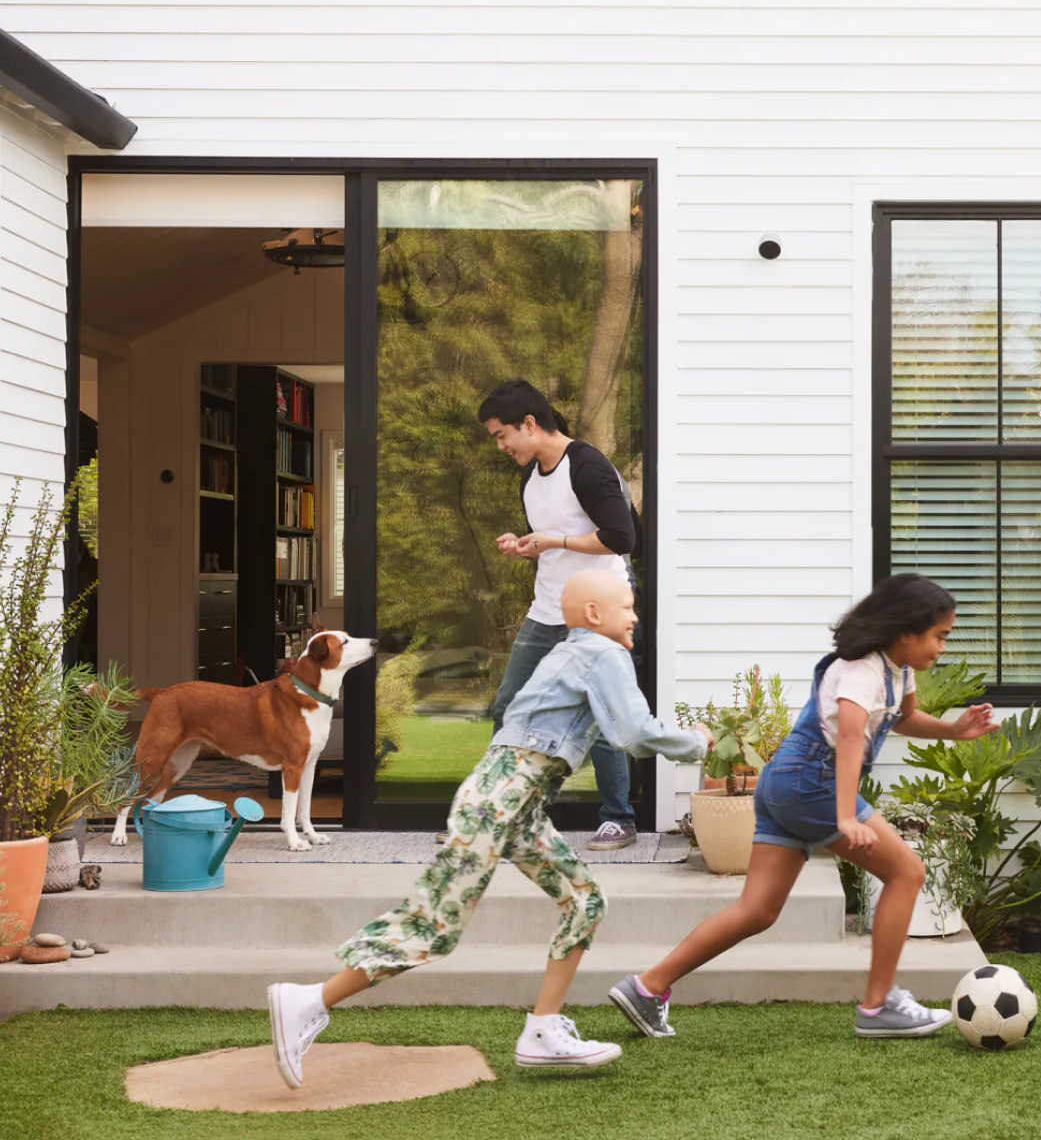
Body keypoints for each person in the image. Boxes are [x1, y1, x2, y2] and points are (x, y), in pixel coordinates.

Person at [267, 571, 712, 1085]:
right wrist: (696, 741)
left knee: (585, 899)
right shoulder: (602, 654)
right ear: (594, 613)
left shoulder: (568, 654)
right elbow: (633, 733)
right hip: (499, 801)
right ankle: (308, 1001)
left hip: (511, 800)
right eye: (629, 606)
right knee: (433, 928)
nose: (635, 615)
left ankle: (543, 1030)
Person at [607, 573, 999, 1041]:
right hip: (813, 780)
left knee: (757, 910)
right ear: (906, 631)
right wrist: (846, 816)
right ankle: (877, 1007)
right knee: (907, 872)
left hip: (784, 781)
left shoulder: (899, 671)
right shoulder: (861, 669)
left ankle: (647, 987)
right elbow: (852, 734)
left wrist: (954, 730)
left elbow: (906, 718)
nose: (942, 647)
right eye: (939, 636)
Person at [470, 378, 644, 851]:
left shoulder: (586, 466)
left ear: (529, 424)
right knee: (510, 706)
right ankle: (501, 812)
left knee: (602, 713)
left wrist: (553, 541)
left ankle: (618, 819)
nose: (501, 445)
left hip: (596, 611)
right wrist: (528, 546)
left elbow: (621, 538)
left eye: (502, 435)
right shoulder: (531, 474)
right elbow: (556, 538)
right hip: (546, 608)